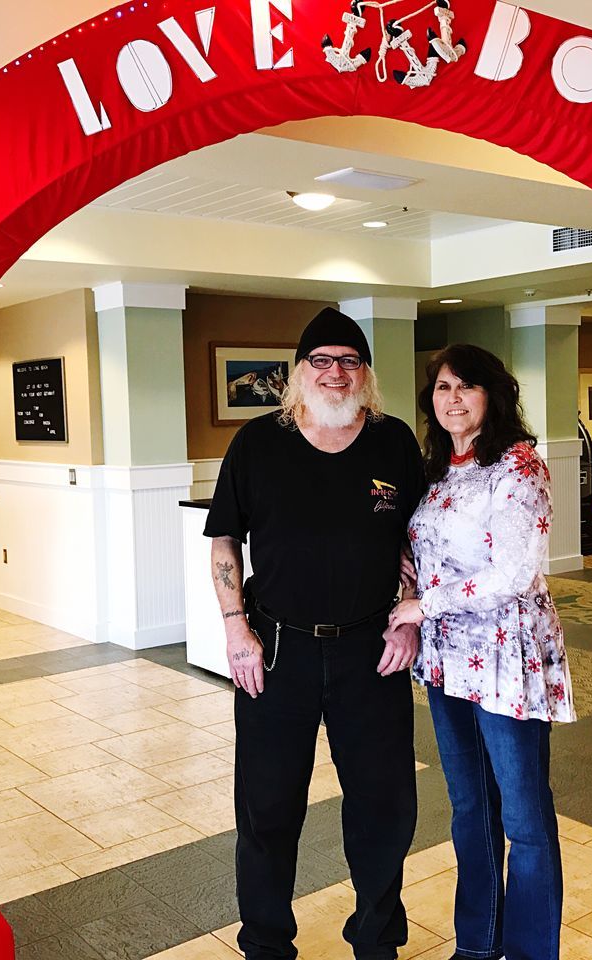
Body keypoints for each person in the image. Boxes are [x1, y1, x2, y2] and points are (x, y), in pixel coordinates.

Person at [205, 307, 426, 960]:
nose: (337, 372)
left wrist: (410, 612)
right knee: (268, 810)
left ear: (366, 373)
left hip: (371, 651)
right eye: (322, 361)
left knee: (384, 807)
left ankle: (377, 939)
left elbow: (418, 540)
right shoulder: (257, 443)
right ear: (300, 374)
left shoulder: (394, 442)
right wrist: (234, 628)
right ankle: (266, 945)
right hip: (277, 651)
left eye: (350, 360)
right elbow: (225, 538)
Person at [389, 343, 575, 960]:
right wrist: (406, 581)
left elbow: (514, 572)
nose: (452, 399)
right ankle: (476, 944)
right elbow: (421, 547)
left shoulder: (519, 467)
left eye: (465, 387)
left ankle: (527, 952)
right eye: (443, 388)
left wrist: (425, 605)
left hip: (505, 660)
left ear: (492, 396)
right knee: (469, 807)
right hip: (447, 662)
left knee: (523, 816)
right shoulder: (438, 469)